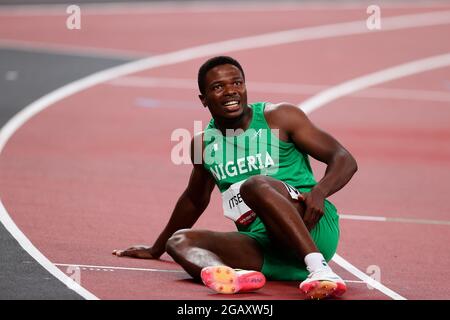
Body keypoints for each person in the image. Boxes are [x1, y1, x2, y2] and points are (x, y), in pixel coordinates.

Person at [113, 56, 358, 299]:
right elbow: (194, 199)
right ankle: (232, 277)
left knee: (254, 185)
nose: (230, 92)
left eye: (237, 83)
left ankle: (320, 270)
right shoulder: (203, 144)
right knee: (179, 241)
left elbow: (343, 158)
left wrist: (320, 191)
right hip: (265, 245)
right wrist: (157, 248)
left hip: (311, 226)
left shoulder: (280, 117)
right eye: (218, 87)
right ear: (203, 99)